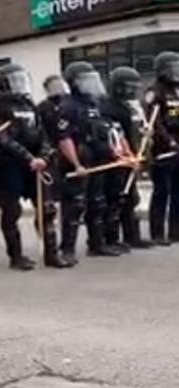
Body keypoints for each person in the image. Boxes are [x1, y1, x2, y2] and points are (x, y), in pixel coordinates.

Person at [0, 64, 73, 270]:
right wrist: (27, 158)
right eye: (13, 80)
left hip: (34, 166)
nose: (19, 84)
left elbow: (42, 134)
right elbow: (2, 138)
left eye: (20, 79)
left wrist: (43, 156)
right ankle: (16, 256)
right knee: (11, 211)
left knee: (47, 209)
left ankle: (52, 254)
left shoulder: (29, 104)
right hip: (9, 166)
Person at [56, 61, 132, 260]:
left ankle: (98, 244)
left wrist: (122, 153)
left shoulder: (98, 105)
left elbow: (111, 132)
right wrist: (76, 164)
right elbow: (65, 138)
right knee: (75, 206)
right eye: (87, 80)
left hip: (99, 161)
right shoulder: (69, 106)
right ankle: (67, 249)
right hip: (78, 164)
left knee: (98, 203)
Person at [101, 66, 152, 250]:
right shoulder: (108, 108)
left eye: (134, 87)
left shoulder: (132, 106)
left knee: (132, 199)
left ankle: (132, 236)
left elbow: (157, 118)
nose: (132, 91)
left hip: (136, 154)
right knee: (117, 199)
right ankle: (112, 238)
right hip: (119, 158)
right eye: (128, 87)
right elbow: (116, 136)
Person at [145, 51, 179, 245]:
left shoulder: (176, 91)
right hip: (162, 148)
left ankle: (175, 230)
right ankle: (157, 233)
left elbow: (175, 113)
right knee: (162, 191)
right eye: (172, 67)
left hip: (177, 144)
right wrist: (169, 141)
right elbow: (154, 121)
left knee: (177, 191)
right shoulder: (155, 92)